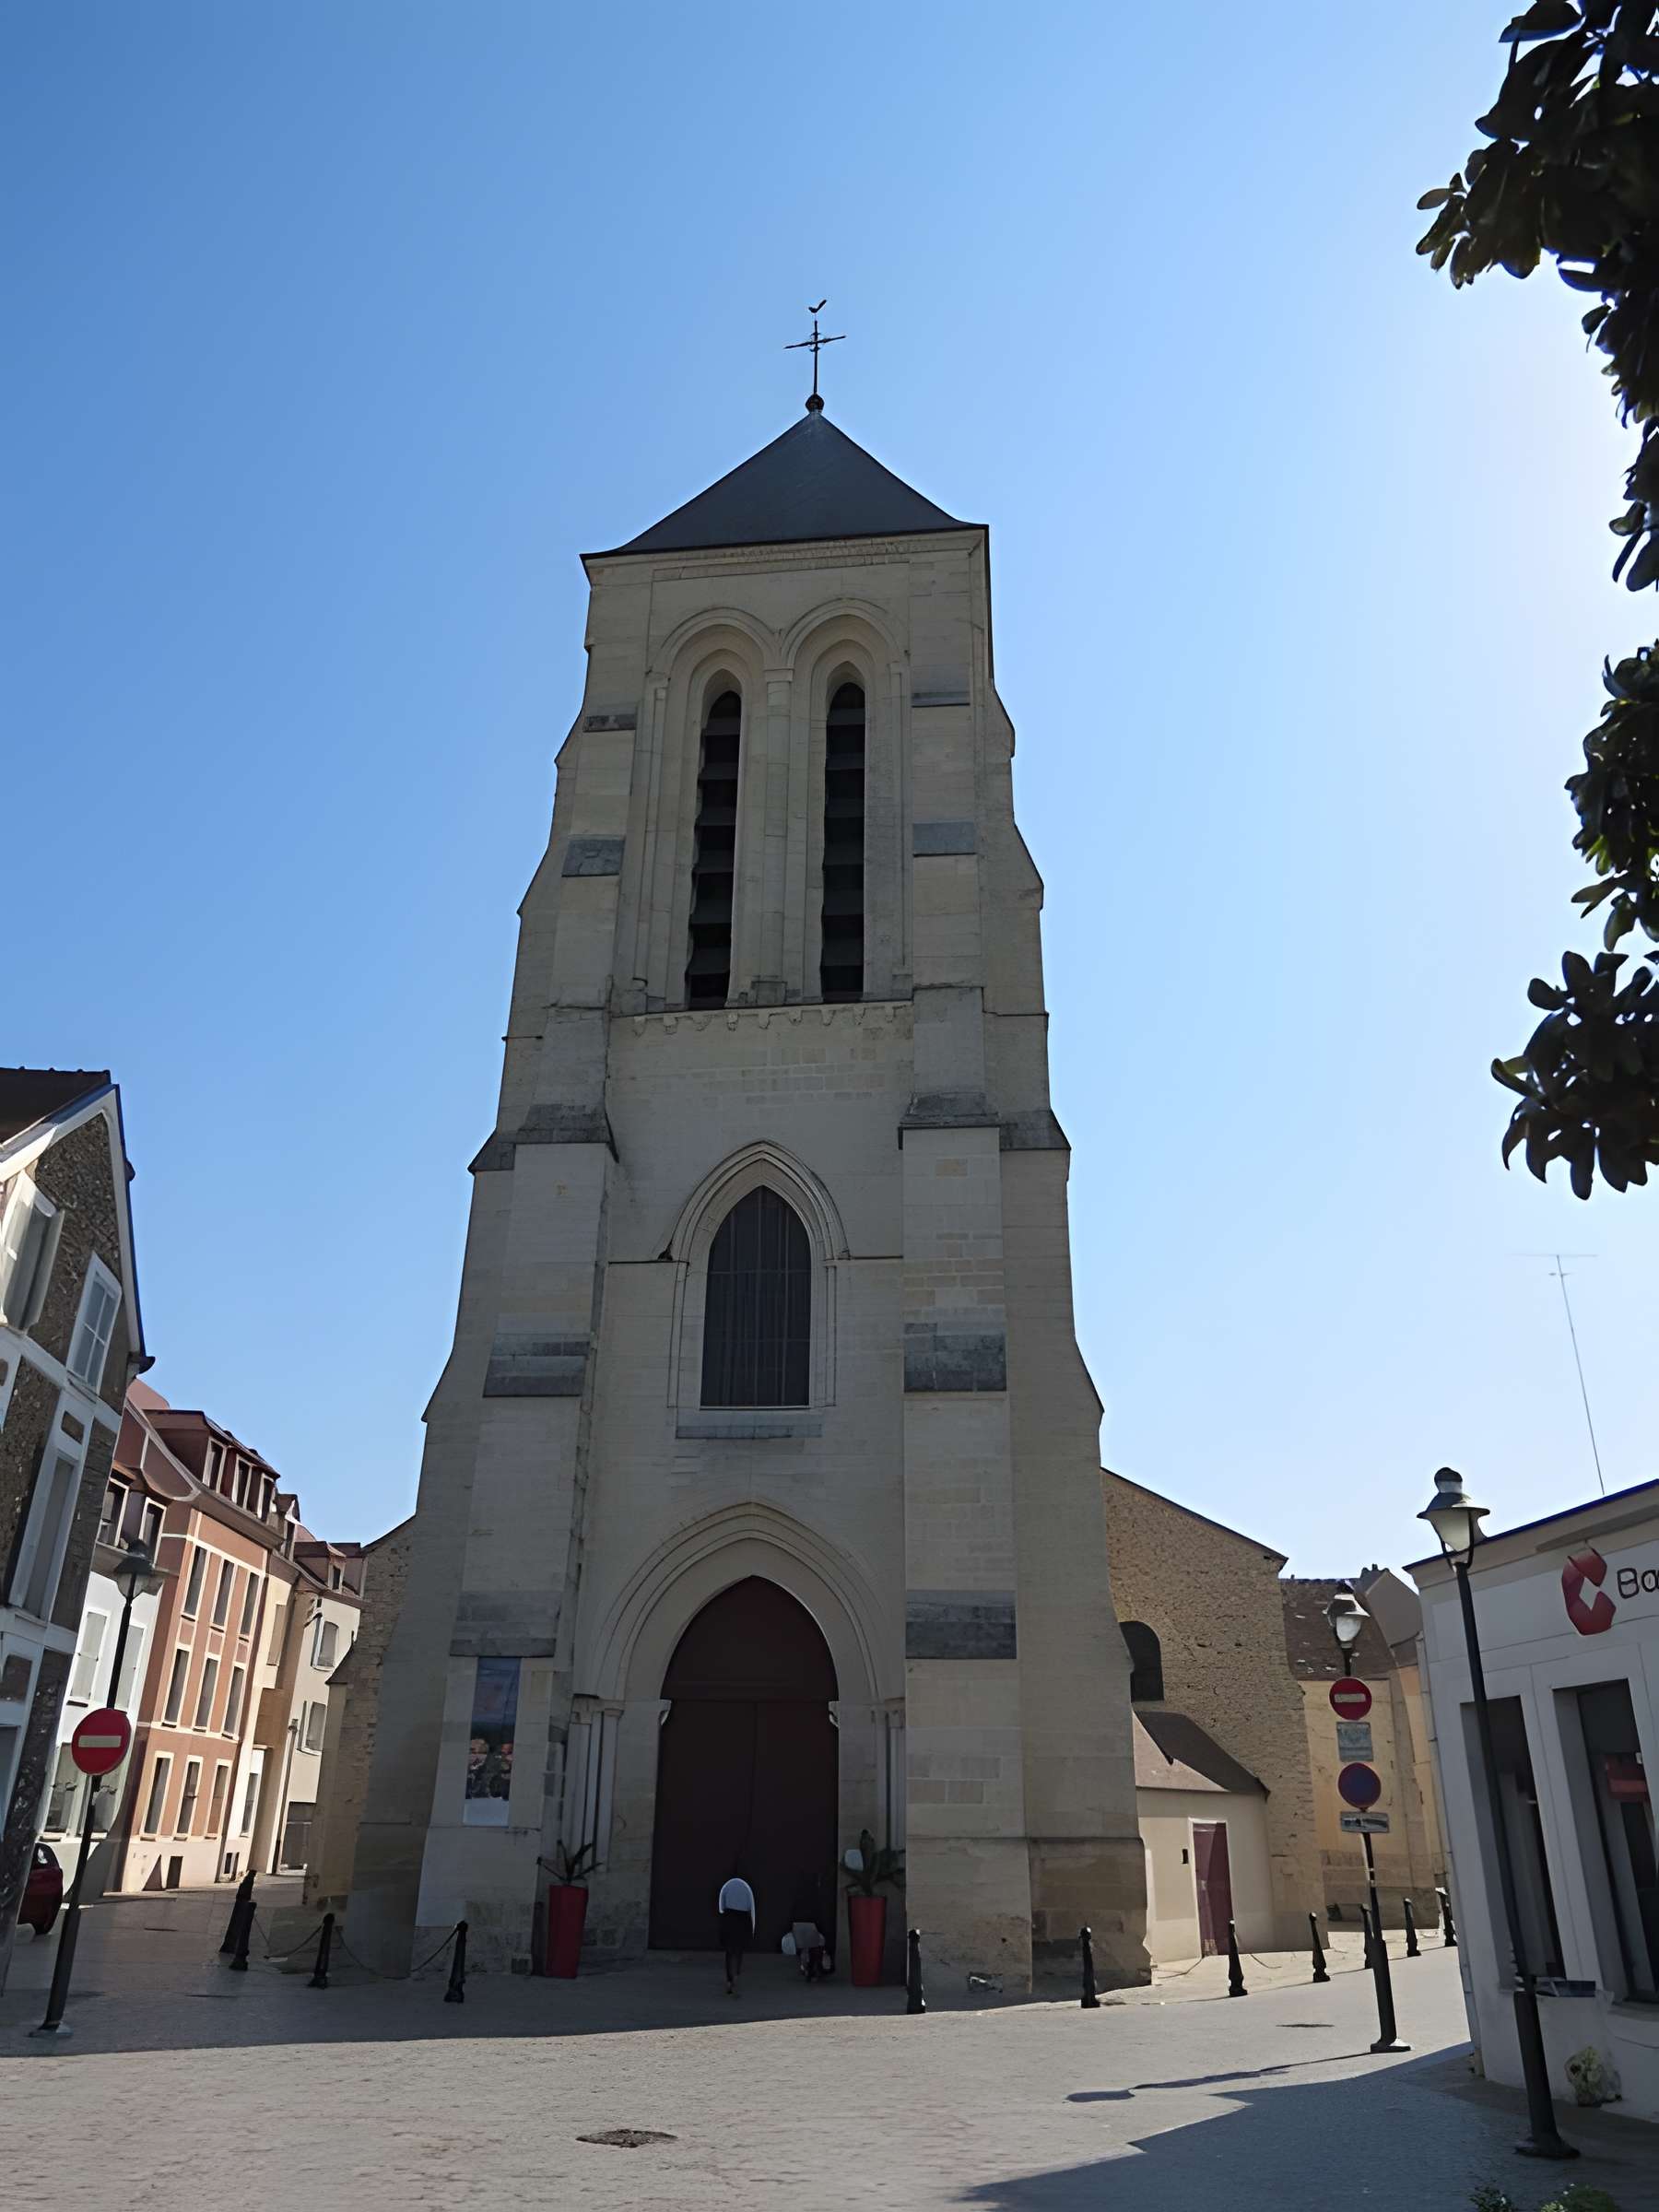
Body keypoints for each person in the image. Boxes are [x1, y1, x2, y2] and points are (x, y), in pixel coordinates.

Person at [717, 1869, 755, 1996]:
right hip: (742, 1918)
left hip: (729, 1917)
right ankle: (736, 1974)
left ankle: (729, 1979)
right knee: (739, 1950)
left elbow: (721, 1905)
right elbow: (751, 1907)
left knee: (729, 1951)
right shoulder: (746, 1887)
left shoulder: (727, 1886)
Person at [789, 1870, 827, 1983]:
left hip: (799, 1930)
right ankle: (814, 1968)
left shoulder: (799, 1898)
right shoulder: (815, 1898)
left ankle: (808, 1968)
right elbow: (818, 1917)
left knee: (808, 1946)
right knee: (818, 1943)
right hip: (810, 1931)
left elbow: (793, 1914)